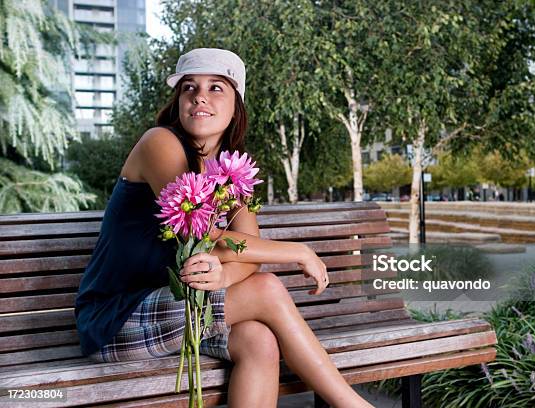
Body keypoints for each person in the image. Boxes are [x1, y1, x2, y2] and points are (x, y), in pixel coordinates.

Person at [74, 48, 373, 408]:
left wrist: (223, 278)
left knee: (259, 340)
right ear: (179, 101)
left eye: (216, 87)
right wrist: (298, 251)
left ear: (236, 107)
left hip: (182, 307)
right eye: (189, 87)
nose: (199, 95)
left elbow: (249, 255)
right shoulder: (160, 143)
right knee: (267, 288)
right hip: (116, 318)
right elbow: (199, 234)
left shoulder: (229, 171)